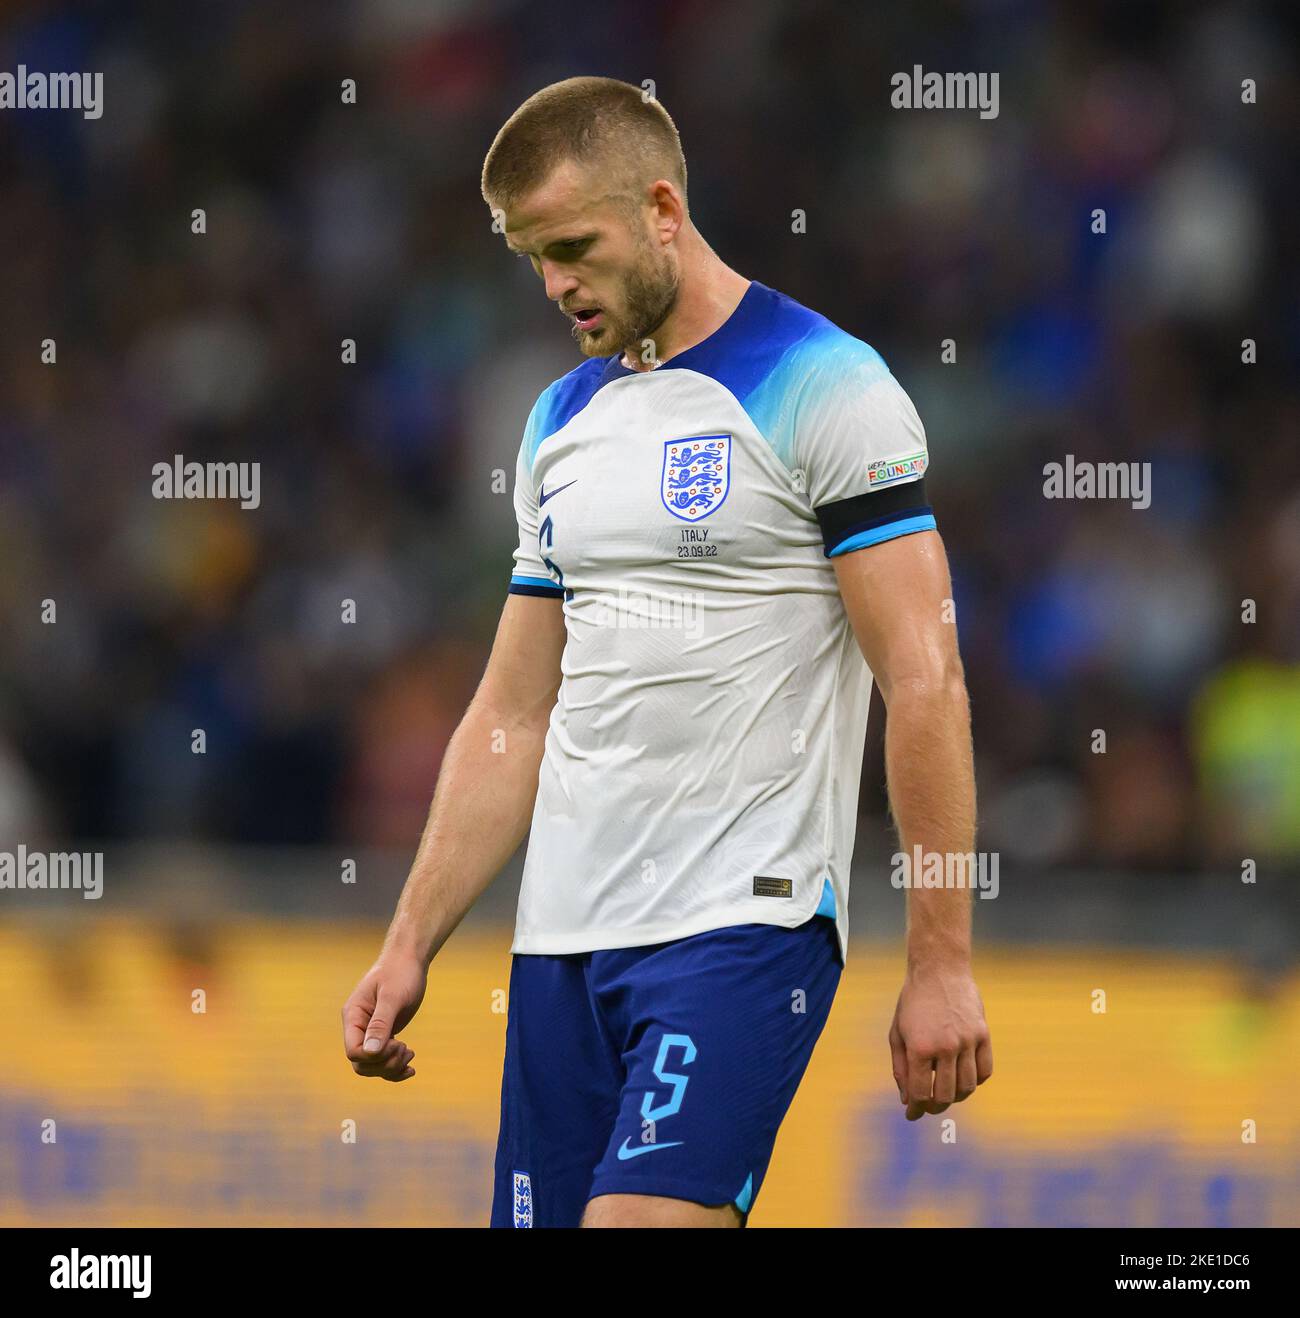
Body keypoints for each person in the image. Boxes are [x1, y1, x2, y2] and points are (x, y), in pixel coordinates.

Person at [342, 76, 992, 1228]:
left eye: (573, 248)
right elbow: (512, 713)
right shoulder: (557, 424)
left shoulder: (828, 387)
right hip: (563, 943)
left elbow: (923, 680)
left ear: (659, 209)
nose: (553, 285)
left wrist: (939, 959)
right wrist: (409, 941)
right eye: (530, 257)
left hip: (744, 922)